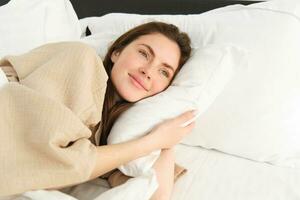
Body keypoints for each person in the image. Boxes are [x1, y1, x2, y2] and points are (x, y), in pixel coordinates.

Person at [0, 21, 195, 199]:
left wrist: (165, 140)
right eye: (144, 53)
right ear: (116, 52)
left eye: (164, 72)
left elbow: (154, 193)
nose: (148, 71)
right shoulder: (81, 59)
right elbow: (53, 158)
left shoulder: (112, 133)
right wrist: (151, 142)